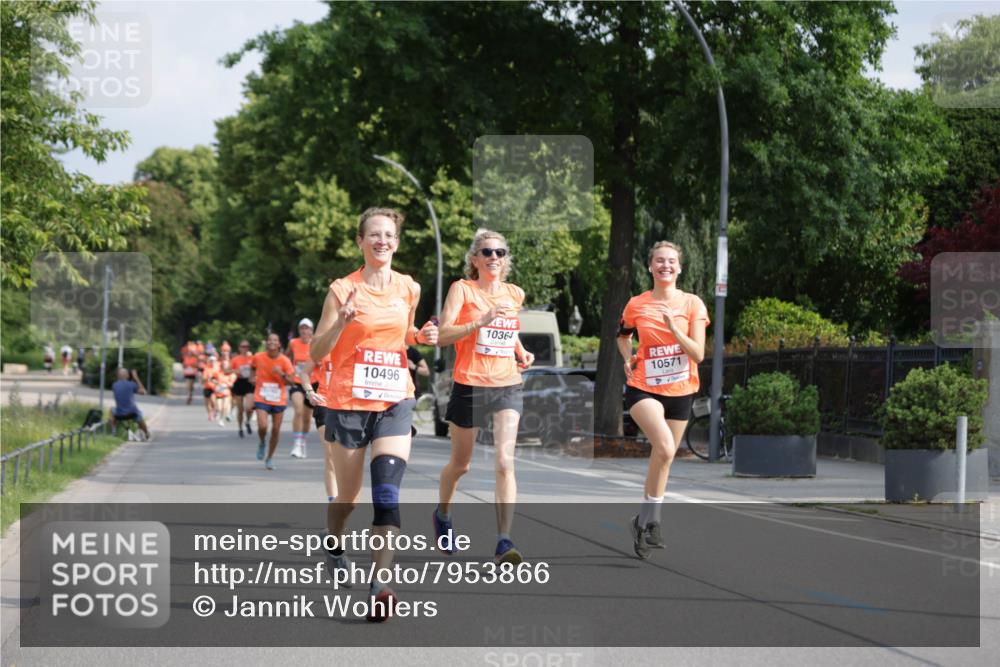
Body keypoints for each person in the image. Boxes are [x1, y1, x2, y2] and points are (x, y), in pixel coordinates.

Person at [310, 206, 438, 622]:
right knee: (347, 499)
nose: (382, 241)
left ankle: (380, 584)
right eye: (374, 235)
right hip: (347, 403)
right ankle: (333, 542)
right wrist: (340, 323)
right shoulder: (342, 290)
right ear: (360, 241)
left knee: (386, 493)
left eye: (389, 235)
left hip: (395, 400)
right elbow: (316, 350)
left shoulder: (408, 287)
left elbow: (405, 334)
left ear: (396, 243)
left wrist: (422, 335)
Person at [434, 229, 534, 565]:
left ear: (506, 260)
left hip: (508, 384)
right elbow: (443, 335)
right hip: (470, 384)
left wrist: (521, 350)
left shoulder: (515, 293)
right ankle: (443, 514)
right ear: (474, 259)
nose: (494, 257)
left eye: (500, 253)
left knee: (505, 462)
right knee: (460, 465)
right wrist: (480, 320)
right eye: (487, 252)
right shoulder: (462, 289)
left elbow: (509, 330)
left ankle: (504, 540)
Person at [617, 241, 708, 559]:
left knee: (664, 456)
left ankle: (642, 522)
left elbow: (698, 353)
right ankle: (654, 521)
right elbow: (622, 335)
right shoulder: (637, 304)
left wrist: (674, 329)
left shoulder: (692, 304)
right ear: (650, 266)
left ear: (679, 268)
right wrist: (627, 358)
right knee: (667, 447)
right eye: (659, 260)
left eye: (671, 261)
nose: (665, 265)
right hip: (644, 387)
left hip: (681, 391)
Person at [250, 332, 297, 470]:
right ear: (266, 343)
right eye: (269, 340)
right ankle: (262, 441)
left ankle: (269, 458)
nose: (272, 342)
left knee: (276, 430)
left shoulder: (285, 361)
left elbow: (292, 382)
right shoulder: (258, 357)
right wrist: (252, 378)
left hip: (278, 398)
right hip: (262, 395)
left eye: (275, 340)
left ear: (279, 344)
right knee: (263, 426)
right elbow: (252, 368)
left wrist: (281, 373)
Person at [286, 318, 317, 459]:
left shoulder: (317, 343)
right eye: (302, 328)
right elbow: (286, 357)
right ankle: (297, 444)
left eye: (307, 328)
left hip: (313, 382)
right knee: (298, 410)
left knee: (307, 418)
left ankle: (303, 440)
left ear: (312, 330)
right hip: (298, 381)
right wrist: (289, 371)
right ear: (299, 330)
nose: (304, 331)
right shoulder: (293, 343)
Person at [110, 367, 150, 440]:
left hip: (119, 414)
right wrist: (136, 378)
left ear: (118, 376)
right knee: (139, 415)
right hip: (132, 413)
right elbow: (143, 392)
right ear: (127, 376)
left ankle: (113, 430)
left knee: (112, 409)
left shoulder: (114, 385)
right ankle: (146, 433)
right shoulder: (131, 384)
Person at [230, 340, 256, 438]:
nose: (245, 348)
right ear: (239, 348)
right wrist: (235, 371)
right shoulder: (235, 359)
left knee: (249, 407)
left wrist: (254, 377)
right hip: (239, 382)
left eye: (247, 346)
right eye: (243, 346)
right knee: (240, 409)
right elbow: (226, 370)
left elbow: (258, 368)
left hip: (249, 383)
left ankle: (247, 421)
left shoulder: (253, 358)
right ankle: (240, 428)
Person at [214, 360, 237, 427]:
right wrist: (217, 382)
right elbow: (212, 379)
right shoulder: (218, 373)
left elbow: (232, 384)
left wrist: (226, 384)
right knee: (219, 408)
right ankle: (219, 413)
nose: (225, 366)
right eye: (224, 364)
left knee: (224, 407)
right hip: (219, 393)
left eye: (226, 364)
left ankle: (221, 420)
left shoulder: (231, 374)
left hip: (227, 393)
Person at [202, 354, 220, 422]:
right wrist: (207, 378)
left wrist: (215, 381)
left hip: (214, 388)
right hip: (207, 387)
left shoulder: (217, 369)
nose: (212, 362)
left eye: (213, 361)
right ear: (209, 361)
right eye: (211, 361)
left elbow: (219, 378)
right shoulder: (206, 369)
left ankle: (215, 410)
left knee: (213, 401)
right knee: (207, 403)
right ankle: (210, 414)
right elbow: (203, 379)